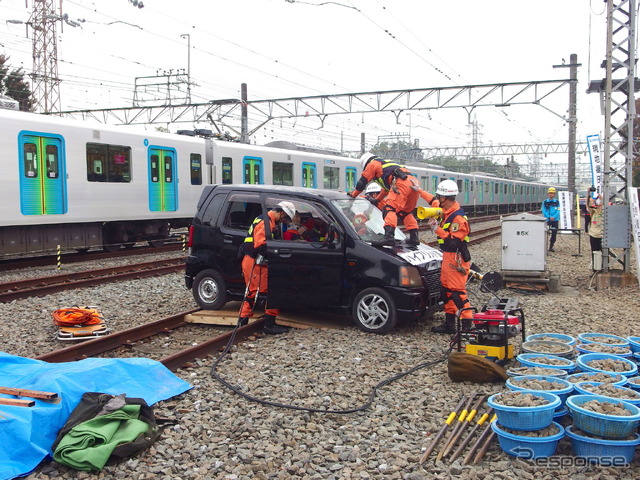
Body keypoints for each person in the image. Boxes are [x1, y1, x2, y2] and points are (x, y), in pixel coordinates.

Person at [238, 201, 297, 335]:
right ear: (281, 212)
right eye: (285, 218)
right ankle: (267, 325)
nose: (284, 221)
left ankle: (243, 324)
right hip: (255, 263)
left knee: (253, 293)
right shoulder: (266, 223)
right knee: (265, 293)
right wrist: (276, 253)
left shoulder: (264, 219)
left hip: (253, 262)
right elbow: (261, 245)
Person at [347, 152, 421, 246]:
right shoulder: (386, 165)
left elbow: (363, 181)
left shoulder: (373, 164)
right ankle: (414, 238)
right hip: (414, 184)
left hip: (401, 183)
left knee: (389, 208)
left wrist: (354, 194)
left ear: (365, 164)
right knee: (405, 212)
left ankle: (389, 237)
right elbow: (385, 190)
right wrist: (377, 200)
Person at [429, 180, 474, 334]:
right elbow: (431, 201)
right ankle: (450, 325)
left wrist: (437, 230)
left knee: (457, 293)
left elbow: (454, 242)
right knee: (446, 291)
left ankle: (468, 326)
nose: (437, 199)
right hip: (448, 257)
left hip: (456, 259)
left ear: (444, 198)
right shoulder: (447, 213)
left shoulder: (458, 218)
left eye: (439, 196)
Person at [587, 192, 603, 271]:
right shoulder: (593, 212)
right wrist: (588, 194)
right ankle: (595, 269)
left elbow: (606, 207)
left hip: (602, 235)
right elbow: (588, 205)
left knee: (603, 253)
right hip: (593, 234)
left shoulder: (605, 212)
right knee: (594, 252)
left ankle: (603, 267)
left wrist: (602, 199)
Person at [542, 187, 560, 252]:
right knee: (545, 233)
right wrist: (548, 217)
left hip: (555, 220)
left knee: (554, 233)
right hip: (547, 220)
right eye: (550, 193)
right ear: (548, 194)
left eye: (552, 193)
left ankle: (551, 247)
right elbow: (543, 210)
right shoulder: (545, 202)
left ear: (554, 194)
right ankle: (544, 246)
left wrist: (554, 217)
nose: (551, 194)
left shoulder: (557, 202)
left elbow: (558, 210)